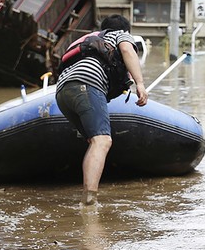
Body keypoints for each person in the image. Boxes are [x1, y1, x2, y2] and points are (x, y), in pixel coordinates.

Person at [55, 14, 148, 207]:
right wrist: (139, 83)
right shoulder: (120, 35)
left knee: (93, 140)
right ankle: (89, 201)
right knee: (102, 140)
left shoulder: (89, 41)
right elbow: (126, 50)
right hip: (87, 84)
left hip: (63, 91)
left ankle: (89, 193)